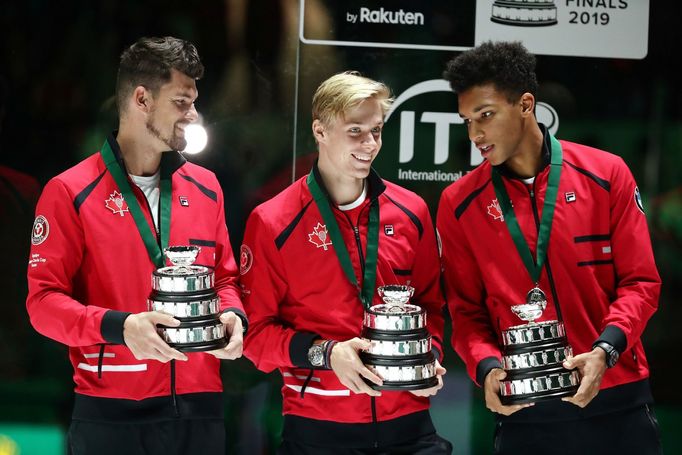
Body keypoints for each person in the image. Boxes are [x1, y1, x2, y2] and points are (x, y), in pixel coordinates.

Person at [437, 41, 662, 454]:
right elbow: (465, 311)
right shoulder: (459, 203)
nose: (476, 134)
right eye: (467, 121)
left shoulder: (606, 175)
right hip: (525, 411)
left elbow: (641, 283)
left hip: (617, 399)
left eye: (485, 115)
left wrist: (605, 350)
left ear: (525, 105)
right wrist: (486, 368)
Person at [26, 36, 247, 455]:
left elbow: (226, 280)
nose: (194, 115)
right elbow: (42, 305)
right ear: (142, 99)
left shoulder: (207, 188)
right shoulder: (70, 192)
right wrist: (120, 327)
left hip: (201, 409)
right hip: (112, 415)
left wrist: (234, 315)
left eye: (194, 101)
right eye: (182, 102)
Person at [240, 71, 452, 454]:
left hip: (410, 426)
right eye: (355, 131)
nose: (370, 144)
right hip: (318, 430)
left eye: (377, 130)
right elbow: (254, 338)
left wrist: (428, 358)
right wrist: (327, 353)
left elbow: (431, 307)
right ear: (320, 131)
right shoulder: (273, 221)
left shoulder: (412, 211)